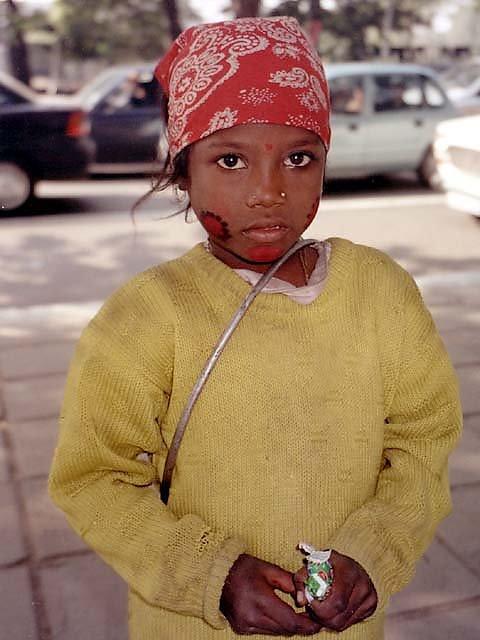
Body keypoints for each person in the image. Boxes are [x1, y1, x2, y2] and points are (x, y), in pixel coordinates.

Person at [48, 16, 462, 640]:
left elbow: (423, 441)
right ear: (183, 172)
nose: (269, 191)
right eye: (231, 159)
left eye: (298, 158)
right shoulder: (145, 316)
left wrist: (375, 550)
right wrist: (209, 575)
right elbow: (94, 479)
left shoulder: (380, 291)